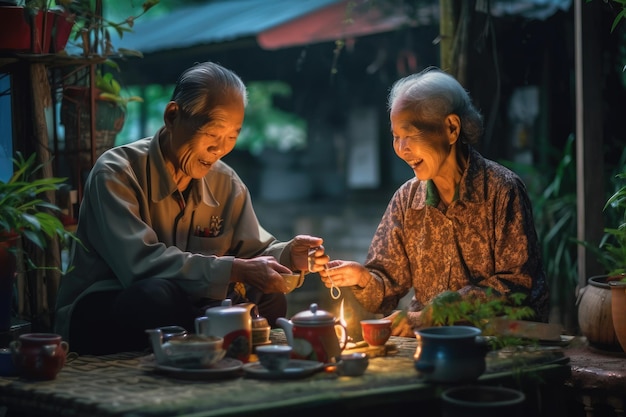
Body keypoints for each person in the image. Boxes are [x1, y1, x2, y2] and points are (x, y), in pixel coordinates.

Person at [54, 61, 329, 355]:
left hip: (190, 303)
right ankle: (211, 341)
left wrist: (289, 256)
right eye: (212, 134)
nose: (219, 149)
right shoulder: (117, 172)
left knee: (271, 297)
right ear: (173, 116)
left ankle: (206, 343)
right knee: (154, 297)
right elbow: (140, 267)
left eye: (232, 137)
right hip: (111, 304)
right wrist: (233, 270)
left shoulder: (226, 183)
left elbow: (253, 253)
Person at [321, 67, 549, 337]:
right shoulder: (407, 200)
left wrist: (436, 313)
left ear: (451, 128)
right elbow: (385, 291)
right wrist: (362, 278)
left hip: (499, 344)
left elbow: (517, 286)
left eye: (411, 134)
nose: (401, 149)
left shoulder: (502, 191)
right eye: (395, 136)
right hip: (428, 344)